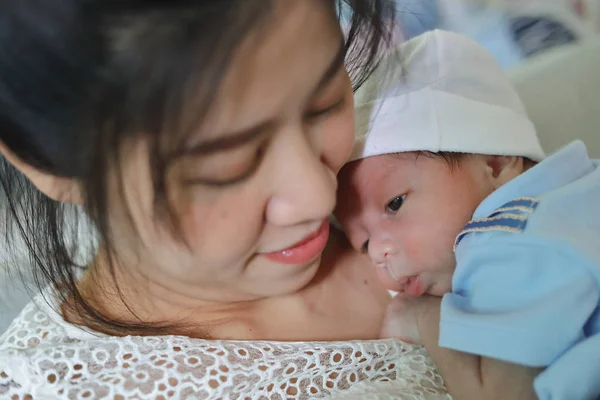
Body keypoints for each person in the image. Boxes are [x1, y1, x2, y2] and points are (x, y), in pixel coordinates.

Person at [0, 1, 451, 398]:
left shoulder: (419, 152)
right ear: (48, 164)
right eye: (227, 167)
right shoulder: (54, 386)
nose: (318, 195)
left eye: (326, 102)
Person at [335, 29, 600, 400]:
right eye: (362, 243)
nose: (378, 252)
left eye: (395, 203)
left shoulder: (505, 236)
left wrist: (420, 316)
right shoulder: (574, 190)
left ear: (494, 162)